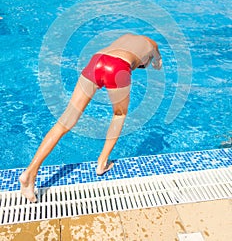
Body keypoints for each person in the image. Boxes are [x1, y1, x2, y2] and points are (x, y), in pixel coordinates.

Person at [19, 33, 162, 202]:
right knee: (119, 114)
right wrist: (155, 62)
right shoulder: (152, 45)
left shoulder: (128, 36)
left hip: (97, 60)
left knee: (65, 121)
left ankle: (30, 172)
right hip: (118, 67)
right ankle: (102, 163)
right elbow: (157, 60)